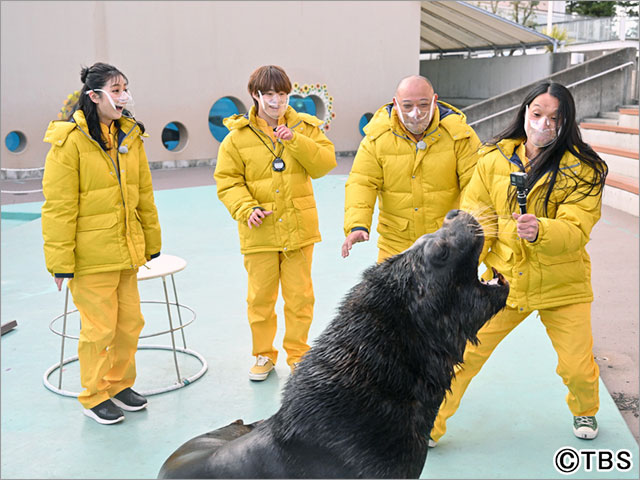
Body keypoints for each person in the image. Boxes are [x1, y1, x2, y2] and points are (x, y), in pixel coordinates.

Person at [430, 81, 608, 444]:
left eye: (554, 119)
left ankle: (585, 411)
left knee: (577, 367)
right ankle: (428, 426)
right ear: (524, 113)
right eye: (537, 114)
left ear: (566, 123)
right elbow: (477, 217)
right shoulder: (492, 159)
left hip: (563, 285)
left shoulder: (584, 168)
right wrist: (458, 257)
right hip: (504, 281)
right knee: (461, 356)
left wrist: (542, 229)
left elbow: (577, 228)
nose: (543, 124)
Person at [42, 62, 162, 425]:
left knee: (130, 323)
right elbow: (59, 206)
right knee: (99, 329)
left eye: (125, 87)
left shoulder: (129, 136)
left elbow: (144, 193)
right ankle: (93, 395)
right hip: (90, 258)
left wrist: (151, 242)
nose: (123, 96)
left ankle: (119, 384)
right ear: (94, 96)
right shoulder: (70, 142)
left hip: (126, 250)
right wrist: (60, 262)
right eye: (115, 89)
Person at [214, 65, 336, 381]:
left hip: (299, 230)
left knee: (300, 297)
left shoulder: (307, 128)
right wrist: (245, 207)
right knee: (260, 299)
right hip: (259, 232)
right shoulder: (236, 138)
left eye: (281, 94)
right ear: (255, 95)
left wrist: (295, 140)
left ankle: (298, 355)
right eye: (268, 94)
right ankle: (263, 355)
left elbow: (324, 164)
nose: (276, 101)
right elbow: (227, 181)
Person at [342, 75, 481, 262]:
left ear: (435, 101)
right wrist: (357, 225)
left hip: (446, 244)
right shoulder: (377, 138)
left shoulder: (460, 136)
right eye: (407, 106)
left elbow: (475, 186)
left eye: (423, 105)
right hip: (395, 245)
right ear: (395, 103)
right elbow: (362, 182)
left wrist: (463, 228)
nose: (416, 113)